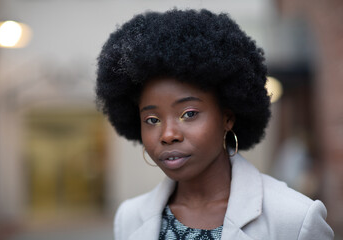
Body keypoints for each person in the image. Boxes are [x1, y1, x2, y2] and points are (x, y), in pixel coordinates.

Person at [96, 9, 334, 240]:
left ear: (227, 118)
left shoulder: (295, 219)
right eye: (152, 120)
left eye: (188, 114)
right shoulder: (129, 218)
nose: (167, 134)